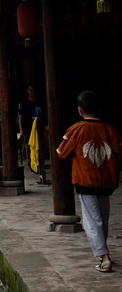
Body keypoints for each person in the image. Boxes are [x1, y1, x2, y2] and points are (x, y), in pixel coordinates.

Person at [56, 91, 122, 273]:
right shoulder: (111, 130)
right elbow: (118, 153)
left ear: (80, 110)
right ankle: (103, 254)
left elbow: (62, 152)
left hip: (85, 180)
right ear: (100, 109)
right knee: (102, 218)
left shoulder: (76, 129)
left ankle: (104, 257)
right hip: (107, 181)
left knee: (93, 220)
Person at [18, 85, 45, 171]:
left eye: (33, 90)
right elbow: (20, 117)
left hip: (39, 126)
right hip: (29, 127)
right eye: (30, 90)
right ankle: (32, 162)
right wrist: (21, 129)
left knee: (40, 145)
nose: (32, 92)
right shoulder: (25, 103)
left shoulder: (40, 102)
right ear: (27, 91)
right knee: (31, 145)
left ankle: (39, 161)